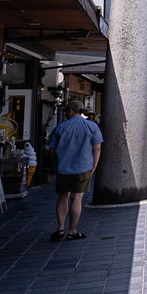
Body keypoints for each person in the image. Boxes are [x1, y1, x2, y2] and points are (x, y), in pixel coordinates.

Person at [47, 99, 102, 241]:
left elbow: (51, 149)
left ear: (70, 111)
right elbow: (97, 147)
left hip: (63, 168)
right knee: (77, 198)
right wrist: (94, 165)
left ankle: (60, 228)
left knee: (62, 197)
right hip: (83, 167)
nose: (66, 113)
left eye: (66, 110)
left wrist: (55, 164)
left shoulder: (60, 127)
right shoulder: (92, 127)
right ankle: (72, 231)